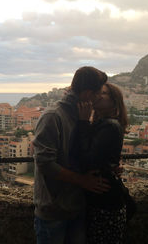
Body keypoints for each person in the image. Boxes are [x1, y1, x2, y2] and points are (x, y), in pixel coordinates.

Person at [33, 66, 110, 244]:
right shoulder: (53, 116)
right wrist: (82, 180)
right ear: (88, 93)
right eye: (99, 93)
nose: (100, 97)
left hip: (77, 206)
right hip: (54, 210)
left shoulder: (83, 116)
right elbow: (45, 163)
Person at [76, 83, 128, 244]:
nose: (98, 95)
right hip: (103, 195)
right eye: (97, 91)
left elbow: (89, 160)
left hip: (104, 199)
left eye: (103, 93)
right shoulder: (102, 125)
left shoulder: (110, 125)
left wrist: (83, 122)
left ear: (114, 102)